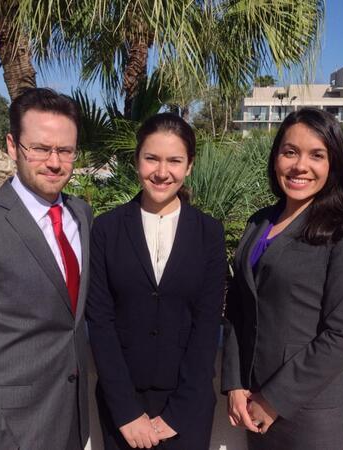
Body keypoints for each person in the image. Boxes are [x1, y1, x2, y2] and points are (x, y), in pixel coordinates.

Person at [0, 88, 92, 450]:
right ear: (12, 146)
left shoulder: (81, 214)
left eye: (65, 150)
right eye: (39, 148)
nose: (54, 162)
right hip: (10, 431)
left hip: (71, 421)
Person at [222, 107, 343, 450]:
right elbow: (238, 309)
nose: (300, 166)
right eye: (290, 152)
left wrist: (274, 399)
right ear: (276, 157)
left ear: (334, 164)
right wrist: (234, 383)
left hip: (312, 416)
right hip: (253, 407)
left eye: (316, 155)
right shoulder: (259, 222)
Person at [87, 113, 227, 449]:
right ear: (137, 160)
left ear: (189, 165)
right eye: (152, 158)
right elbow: (100, 321)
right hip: (123, 406)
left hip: (187, 406)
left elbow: (207, 324)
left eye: (174, 161)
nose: (162, 172)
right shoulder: (106, 229)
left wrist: (178, 413)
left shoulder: (209, 232)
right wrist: (126, 411)